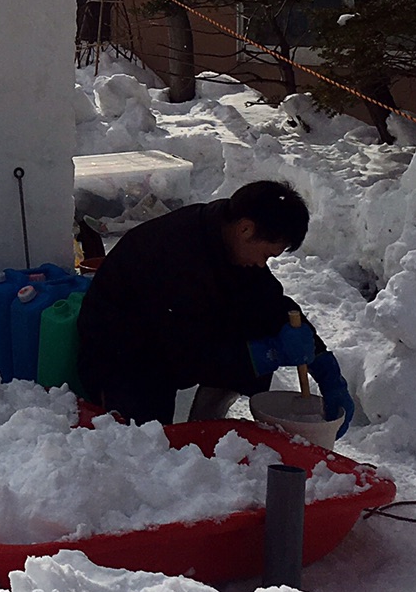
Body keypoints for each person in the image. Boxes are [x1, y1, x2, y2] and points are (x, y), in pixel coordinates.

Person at [75, 178, 355, 434]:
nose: (262, 264)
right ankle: (191, 437)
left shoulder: (227, 235)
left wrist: (324, 367)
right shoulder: (175, 254)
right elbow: (181, 353)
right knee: (146, 440)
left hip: (177, 336)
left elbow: (269, 304)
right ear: (246, 228)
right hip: (122, 354)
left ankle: (207, 423)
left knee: (256, 328)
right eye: (267, 255)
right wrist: (266, 355)